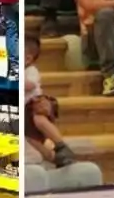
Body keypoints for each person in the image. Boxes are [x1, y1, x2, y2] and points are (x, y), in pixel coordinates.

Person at [24, 36, 76, 167]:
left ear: (28, 59)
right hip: (24, 112)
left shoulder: (31, 71)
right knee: (30, 139)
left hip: (35, 105)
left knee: (40, 120)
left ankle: (61, 145)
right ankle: (53, 157)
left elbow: (30, 85)